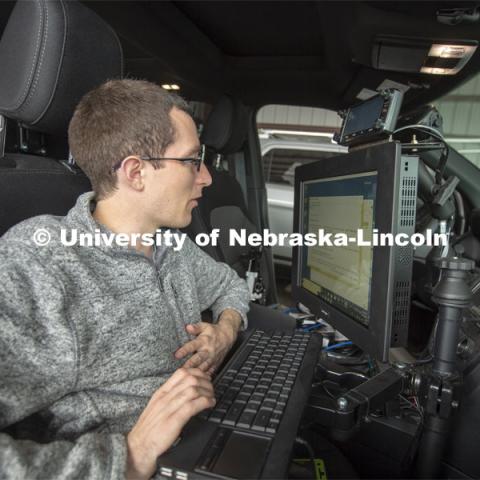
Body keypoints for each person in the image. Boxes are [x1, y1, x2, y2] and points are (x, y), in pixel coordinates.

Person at [0, 79, 250, 479]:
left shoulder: (171, 246)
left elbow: (230, 287)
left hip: (207, 441)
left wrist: (225, 330)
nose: (205, 177)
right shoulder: (40, 263)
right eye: (191, 161)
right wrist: (131, 454)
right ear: (136, 172)